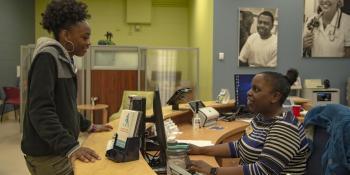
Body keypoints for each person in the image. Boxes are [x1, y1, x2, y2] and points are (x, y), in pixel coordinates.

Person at [21, 0, 113, 174]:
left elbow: (65, 107)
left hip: (57, 149)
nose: (89, 42)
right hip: (48, 154)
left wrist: (89, 126)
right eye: (84, 37)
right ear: (66, 35)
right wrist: (71, 147)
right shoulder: (47, 58)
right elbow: (40, 111)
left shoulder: (64, 59)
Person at [189, 70, 309, 175]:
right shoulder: (260, 118)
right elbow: (239, 147)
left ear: (275, 97)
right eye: (251, 88)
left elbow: (262, 171)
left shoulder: (285, 128)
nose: (249, 92)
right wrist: (200, 150)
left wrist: (213, 171)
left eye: (256, 89)